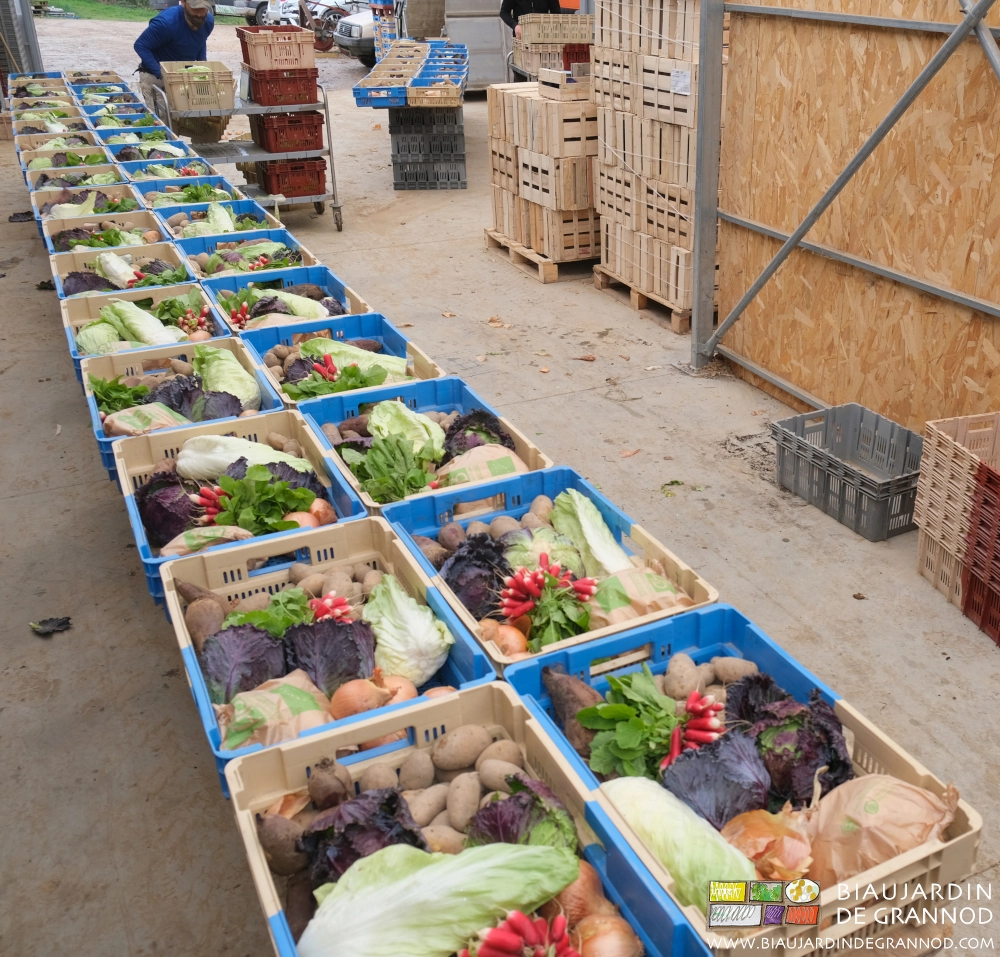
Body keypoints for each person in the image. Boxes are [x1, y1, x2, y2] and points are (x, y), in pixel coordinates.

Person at [134, 0, 216, 136]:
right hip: (156, 77)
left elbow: (201, 41)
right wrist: (160, 73)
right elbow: (140, 45)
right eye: (196, 9)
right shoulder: (166, 23)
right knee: (161, 126)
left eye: (204, 9)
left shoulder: (208, 22)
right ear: (183, 3)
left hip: (182, 77)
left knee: (179, 123)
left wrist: (202, 65)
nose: (201, 14)